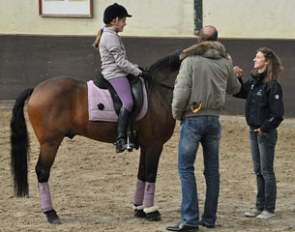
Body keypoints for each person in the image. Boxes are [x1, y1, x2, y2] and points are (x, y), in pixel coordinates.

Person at [167, 27, 241, 231]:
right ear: (217, 40)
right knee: (212, 171)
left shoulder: (190, 61)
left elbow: (181, 91)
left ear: (198, 40)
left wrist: (177, 114)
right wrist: (231, 68)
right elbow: (235, 88)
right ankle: (209, 218)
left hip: (193, 118)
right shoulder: (224, 62)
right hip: (214, 119)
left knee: (185, 168)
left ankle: (190, 219)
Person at [234, 47, 284, 219]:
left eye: (258, 57)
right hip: (253, 132)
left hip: (264, 133)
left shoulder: (272, 85)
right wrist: (237, 78)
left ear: (267, 61)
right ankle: (259, 205)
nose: (254, 60)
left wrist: (264, 128)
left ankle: (269, 208)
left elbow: (277, 114)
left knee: (266, 171)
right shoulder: (254, 82)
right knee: (258, 170)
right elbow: (240, 92)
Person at [93, 3, 146, 153]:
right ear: (115, 20)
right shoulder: (110, 37)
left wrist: (135, 67)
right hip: (115, 74)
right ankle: (121, 138)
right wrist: (139, 72)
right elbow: (121, 62)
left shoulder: (111, 34)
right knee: (128, 102)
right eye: (123, 20)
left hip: (118, 71)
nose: (125, 23)